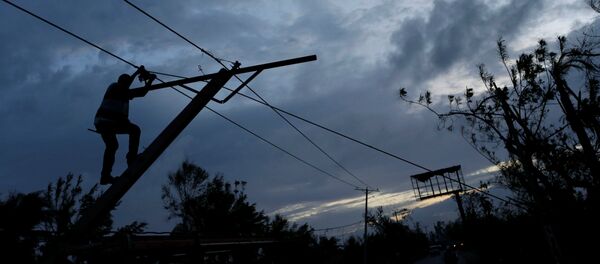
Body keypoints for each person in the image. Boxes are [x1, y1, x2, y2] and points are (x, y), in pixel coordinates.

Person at [94, 66, 155, 185]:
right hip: (107, 122)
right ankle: (131, 158)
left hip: (104, 123)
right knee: (134, 130)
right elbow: (134, 89)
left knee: (112, 146)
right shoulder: (114, 87)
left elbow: (138, 91)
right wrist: (145, 77)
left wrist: (145, 78)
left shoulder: (124, 93)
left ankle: (105, 176)